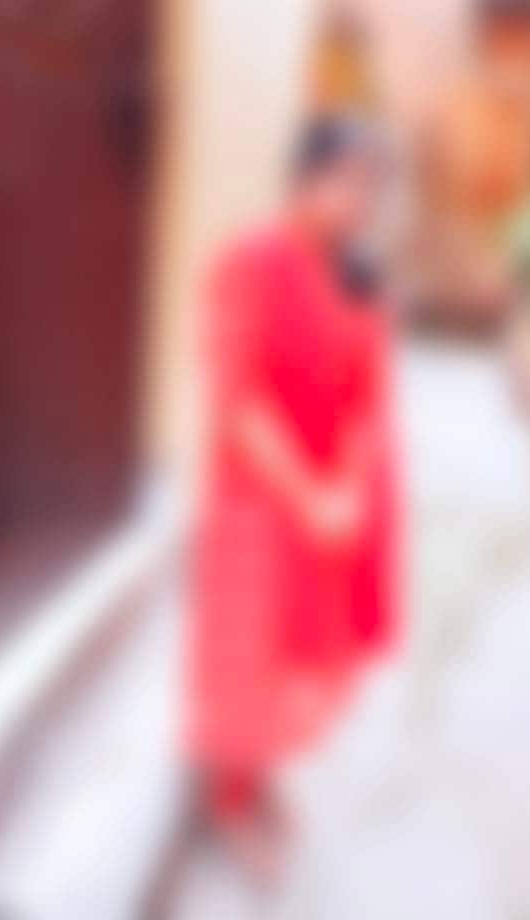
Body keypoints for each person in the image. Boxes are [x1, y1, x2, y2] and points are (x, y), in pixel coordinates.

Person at [185, 117, 401, 878]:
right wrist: (308, 497)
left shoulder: (358, 278)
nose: (357, 201)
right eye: (345, 180)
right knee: (246, 657)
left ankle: (259, 776)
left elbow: (370, 397)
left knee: (294, 660)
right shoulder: (249, 261)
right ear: (303, 176)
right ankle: (228, 800)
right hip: (259, 498)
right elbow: (238, 399)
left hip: (328, 506)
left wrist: (349, 490)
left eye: (370, 187)